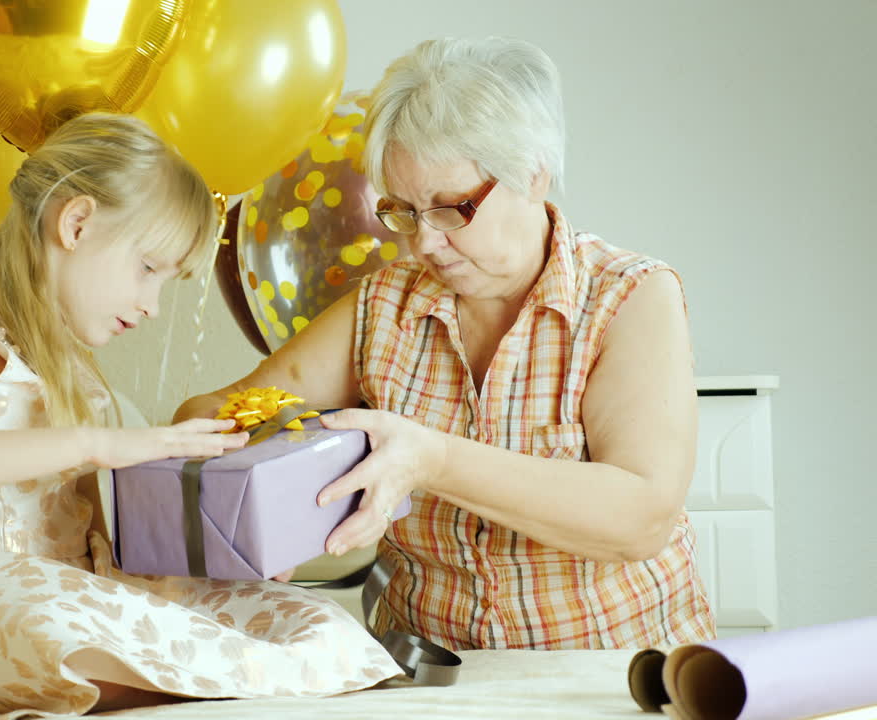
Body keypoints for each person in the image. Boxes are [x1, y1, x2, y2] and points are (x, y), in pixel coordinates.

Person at [0, 113, 401, 716]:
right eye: (149, 268)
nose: (153, 305)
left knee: (307, 620)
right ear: (76, 224)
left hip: (64, 586)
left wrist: (233, 554)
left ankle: (224, 672)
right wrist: (95, 444)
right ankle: (208, 678)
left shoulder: (74, 370)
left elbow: (94, 535)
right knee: (48, 621)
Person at [176, 36, 715, 650]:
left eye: (452, 208)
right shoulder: (384, 305)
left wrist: (429, 458)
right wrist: (279, 500)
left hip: (616, 668)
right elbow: (203, 417)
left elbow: (641, 518)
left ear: (533, 174)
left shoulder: (629, 296)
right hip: (435, 671)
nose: (423, 244)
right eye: (403, 211)